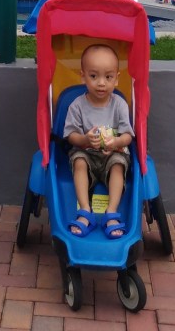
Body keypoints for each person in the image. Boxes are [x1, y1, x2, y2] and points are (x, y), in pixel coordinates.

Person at [63, 43, 134, 241]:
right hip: (86, 153)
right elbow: (70, 136)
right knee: (78, 160)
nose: (101, 83)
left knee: (119, 164)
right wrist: (85, 139)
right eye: (94, 76)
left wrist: (116, 142)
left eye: (108, 77)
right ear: (83, 76)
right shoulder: (77, 105)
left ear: (116, 79)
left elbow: (128, 136)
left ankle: (111, 213)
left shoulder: (119, 104)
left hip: (113, 154)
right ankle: (85, 211)